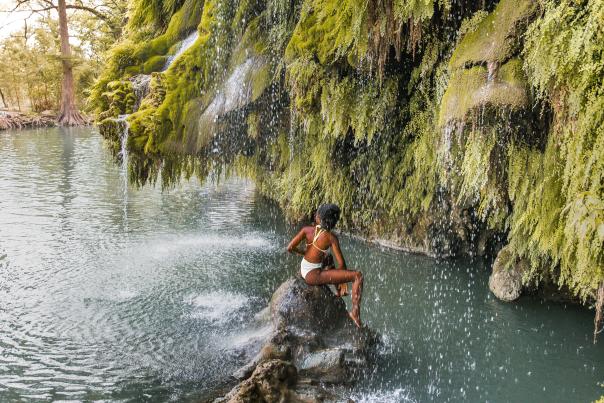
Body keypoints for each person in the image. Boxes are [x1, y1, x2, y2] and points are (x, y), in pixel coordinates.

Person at [287, 204, 364, 327]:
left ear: (318, 218)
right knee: (358, 276)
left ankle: (338, 292)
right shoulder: (331, 237)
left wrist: (305, 253)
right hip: (312, 276)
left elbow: (290, 248)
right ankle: (355, 313)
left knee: (328, 258)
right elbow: (342, 263)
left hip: (304, 268)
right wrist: (343, 280)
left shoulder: (307, 230)